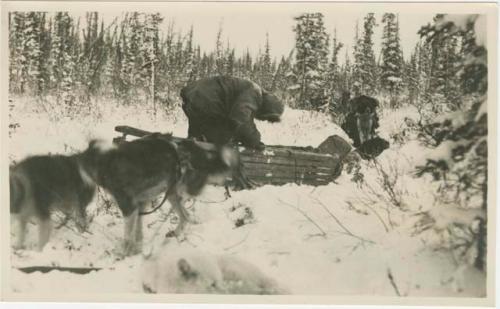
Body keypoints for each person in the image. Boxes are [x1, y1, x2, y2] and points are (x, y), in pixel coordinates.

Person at [180, 76, 284, 150]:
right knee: (217, 141)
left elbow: (235, 122)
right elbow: (240, 120)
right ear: (267, 109)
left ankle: (188, 162)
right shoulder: (254, 93)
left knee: (197, 138)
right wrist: (254, 140)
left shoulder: (251, 91)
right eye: (266, 118)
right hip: (207, 100)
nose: (263, 120)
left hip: (195, 94)